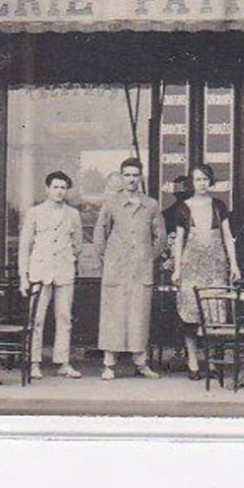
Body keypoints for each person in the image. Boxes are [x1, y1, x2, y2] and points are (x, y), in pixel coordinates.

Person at [92, 157, 166, 380]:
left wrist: (147, 257)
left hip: (140, 270)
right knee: (112, 315)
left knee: (139, 315)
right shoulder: (111, 202)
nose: (131, 179)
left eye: (135, 175)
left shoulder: (151, 204)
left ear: (140, 177)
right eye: (127, 175)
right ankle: (109, 364)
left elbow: (160, 236)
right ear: (122, 177)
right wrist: (108, 259)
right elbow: (99, 233)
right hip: (116, 269)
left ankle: (141, 363)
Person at [172, 163, 241, 380]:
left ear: (210, 181)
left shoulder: (219, 206)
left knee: (213, 314)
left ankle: (212, 362)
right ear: (192, 183)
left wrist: (234, 264)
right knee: (191, 314)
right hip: (191, 267)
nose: (201, 183)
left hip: (215, 267)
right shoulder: (183, 208)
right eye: (197, 179)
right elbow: (179, 240)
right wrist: (176, 269)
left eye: (204, 179)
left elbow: (227, 236)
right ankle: (192, 360)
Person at [18, 170, 83, 379]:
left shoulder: (73, 214)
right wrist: (23, 277)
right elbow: (25, 246)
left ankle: (63, 362)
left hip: (64, 271)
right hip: (39, 271)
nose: (59, 191)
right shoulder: (34, 213)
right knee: (36, 318)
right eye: (55, 187)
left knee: (64, 317)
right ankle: (34, 362)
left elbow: (78, 245)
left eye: (63, 187)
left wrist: (67, 259)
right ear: (47, 189)